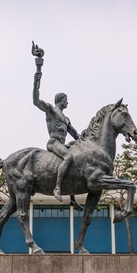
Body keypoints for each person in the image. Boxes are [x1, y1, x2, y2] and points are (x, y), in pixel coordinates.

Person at [32, 43, 81, 206]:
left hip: (64, 143)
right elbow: (36, 100)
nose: (68, 102)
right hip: (54, 143)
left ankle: (72, 199)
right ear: (60, 100)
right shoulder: (51, 111)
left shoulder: (66, 119)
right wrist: (38, 73)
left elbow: (77, 136)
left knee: (76, 160)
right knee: (68, 157)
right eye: (66, 99)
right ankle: (57, 188)